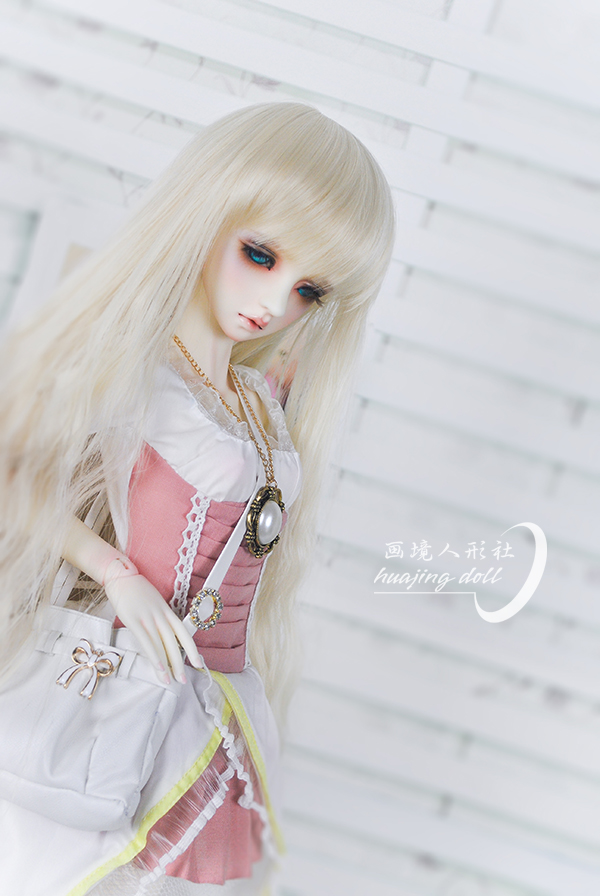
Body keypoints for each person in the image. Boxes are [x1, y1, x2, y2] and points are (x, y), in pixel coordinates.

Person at [0, 102, 394, 895]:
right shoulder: (140, 371)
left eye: (309, 289)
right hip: (111, 686)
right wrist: (114, 571)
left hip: (208, 699)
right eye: (260, 255)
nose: (274, 304)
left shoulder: (257, 400)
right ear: (205, 215)